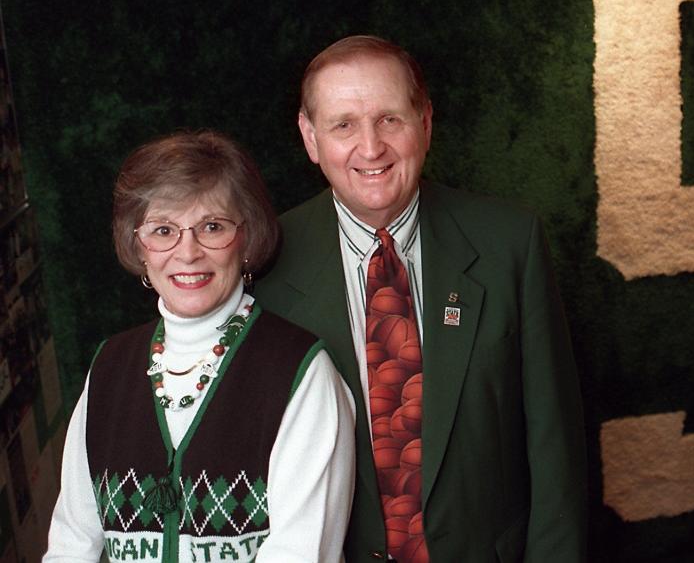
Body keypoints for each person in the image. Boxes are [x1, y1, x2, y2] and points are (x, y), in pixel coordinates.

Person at [257, 36, 587, 562]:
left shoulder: (509, 243)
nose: (370, 148)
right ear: (310, 138)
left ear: (426, 123)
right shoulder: (264, 266)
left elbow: (556, 449)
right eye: (343, 124)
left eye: (390, 119)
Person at [44, 130, 356, 562]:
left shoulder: (300, 372)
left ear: (246, 239)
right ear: (140, 247)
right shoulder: (109, 368)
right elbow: (70, 546)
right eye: (163, 230)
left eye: (212, 226)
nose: (187, 252)